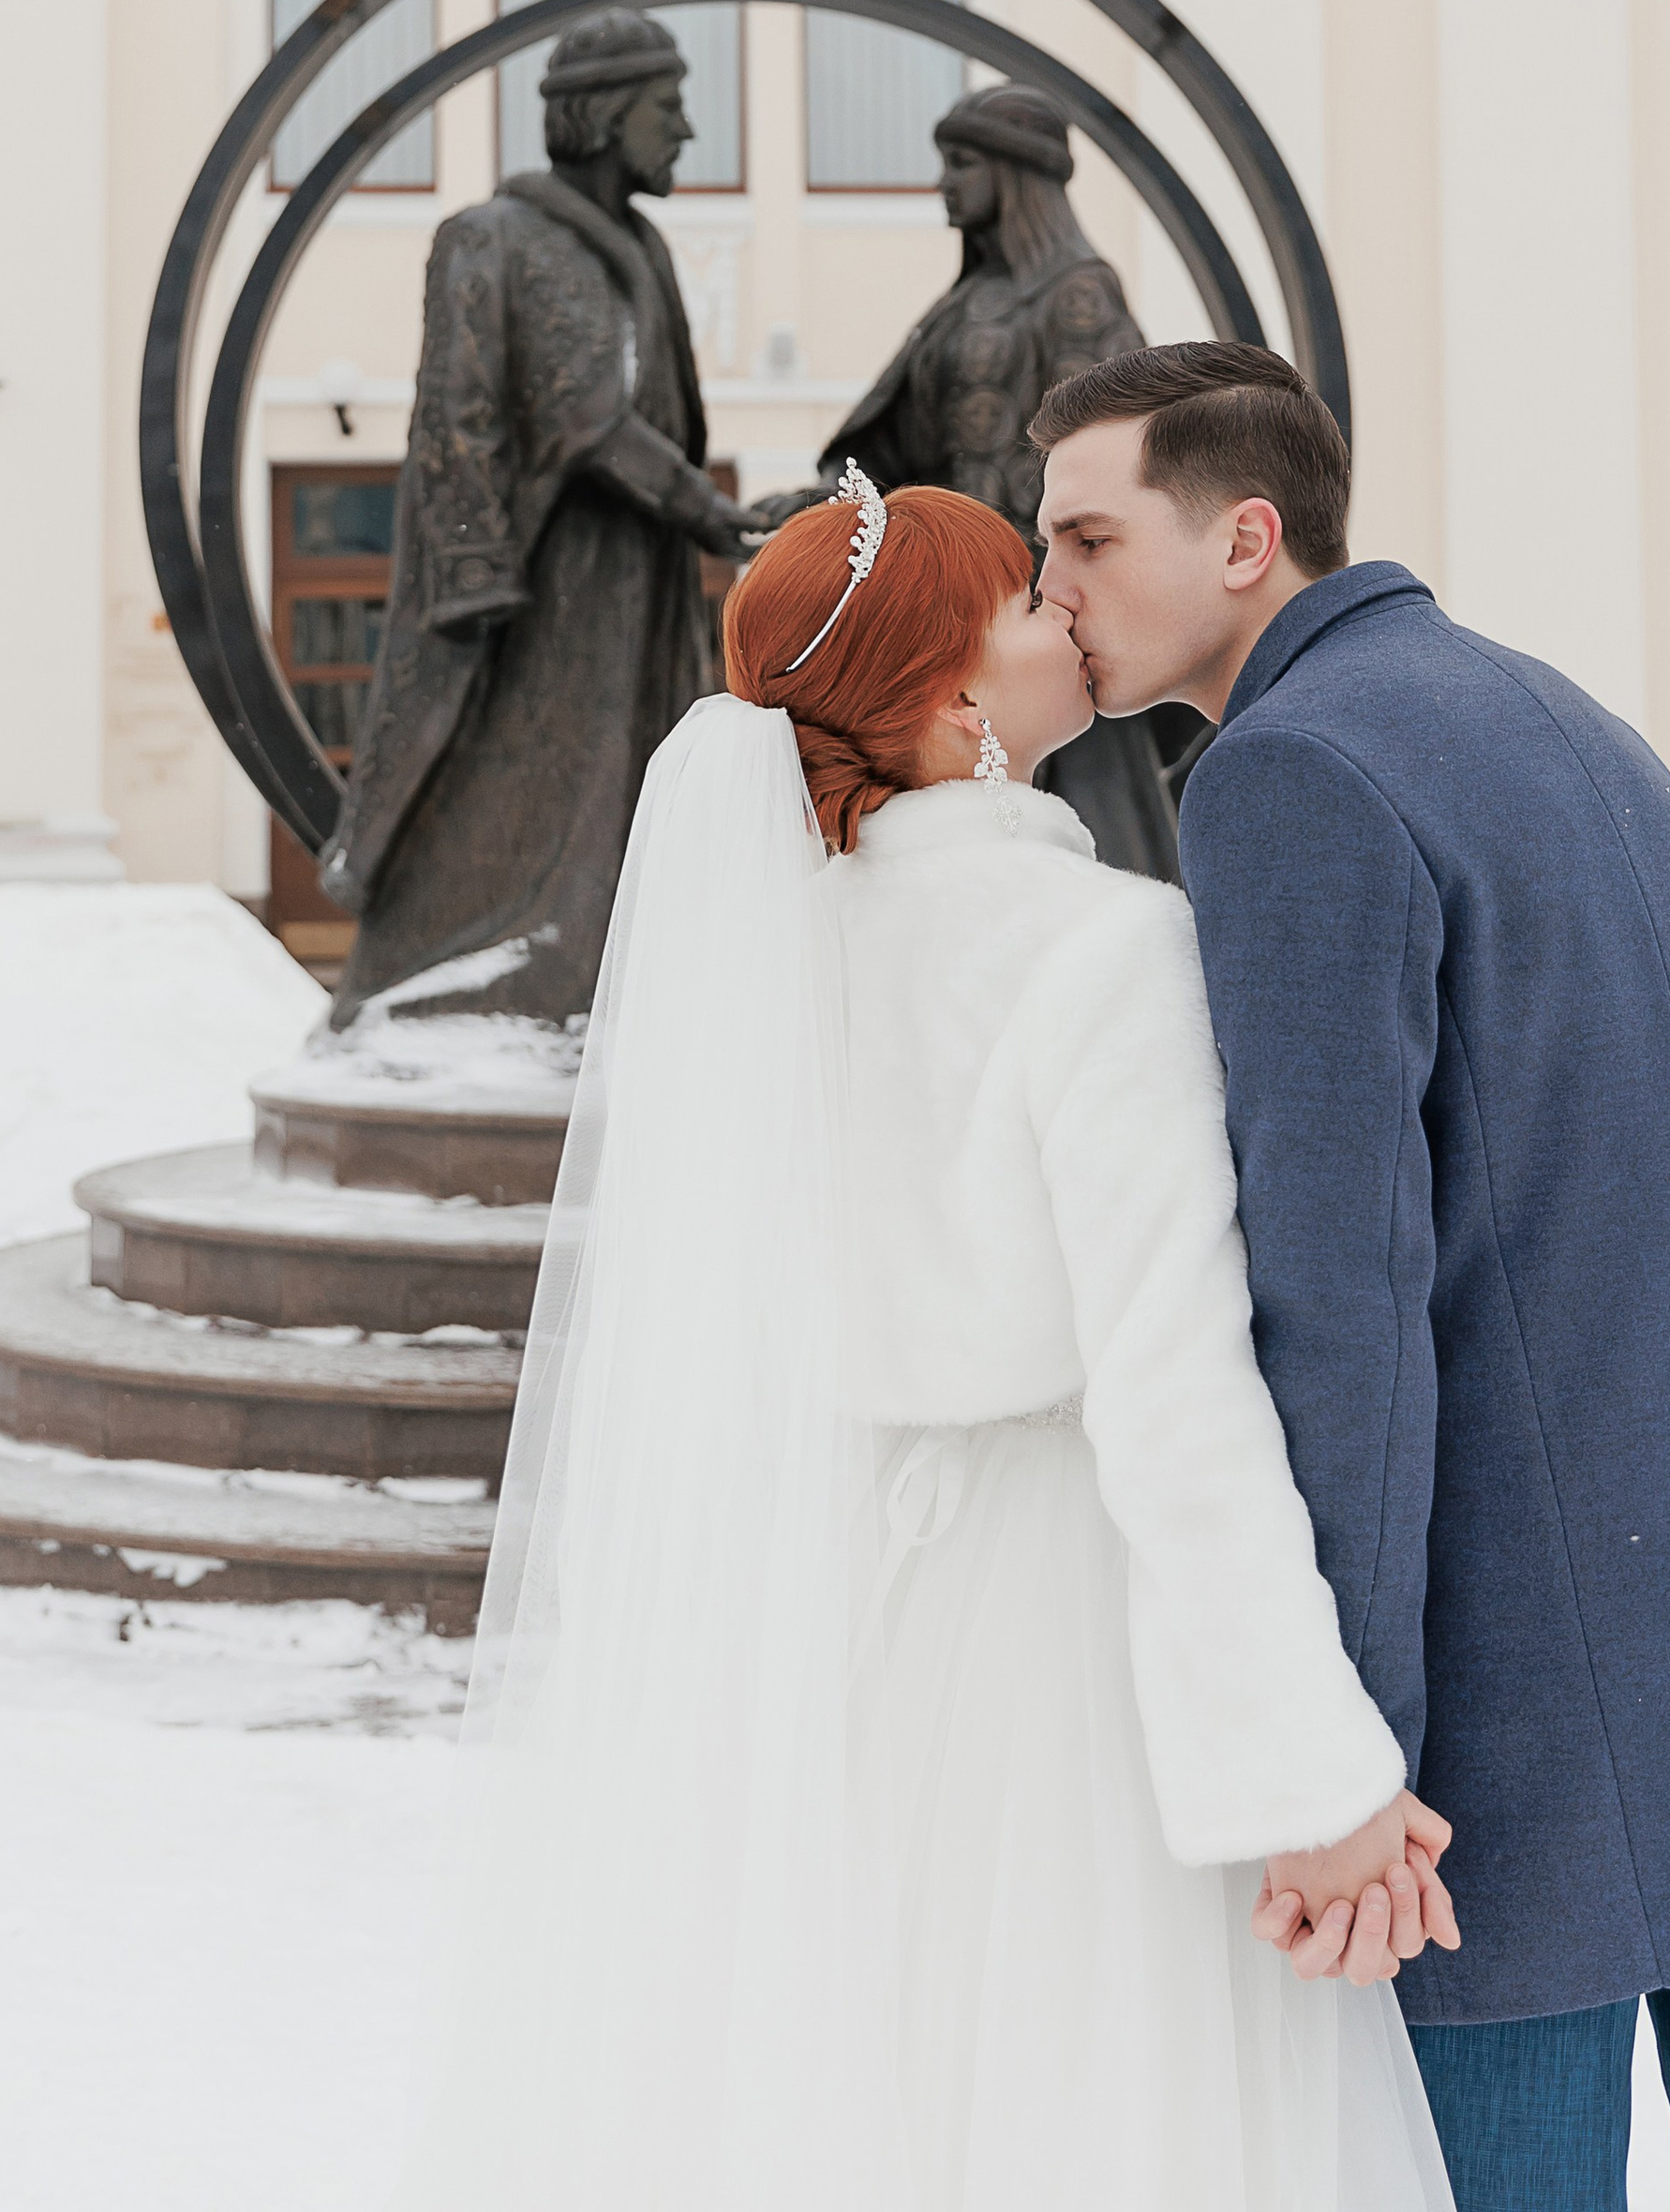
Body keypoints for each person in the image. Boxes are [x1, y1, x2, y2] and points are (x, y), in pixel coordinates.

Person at [401, 471, 1460, 2212]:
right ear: (962, 705)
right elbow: (1175, 1398)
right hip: (1053, 1649)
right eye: (1031, 605)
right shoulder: (1101, 950)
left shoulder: (764, 968)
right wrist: (1313, 1773)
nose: (1071, 612)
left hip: (830, 1638)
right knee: (1078, 2111)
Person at [1032, 339, 1670, 2212]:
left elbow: (1342, 1304)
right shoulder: (1571, 721)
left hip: (1522, 1683)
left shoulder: (1286, 776)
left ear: (1244, 539)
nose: (1048, 589)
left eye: (1081, 536)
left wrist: (1342, 1757)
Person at [320, 9, 787, 1029]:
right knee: (519, 784)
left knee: (623, 777)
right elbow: (572, 417)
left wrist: (700, 517)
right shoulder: (498, 237)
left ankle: (604, 980)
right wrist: (705, 507)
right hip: (540, 590)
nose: (686, 133)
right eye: (667, 108)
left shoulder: (641, 247)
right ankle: (458, 986)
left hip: (634, 579)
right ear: (603, 115)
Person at [834, 80, 1190, 878]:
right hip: (965, 611)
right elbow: (892, 442)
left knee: (1093, 832)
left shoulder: (1078, 294)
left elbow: (1114, 460)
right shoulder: (965, 303)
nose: (944, 183)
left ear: (1015, 173)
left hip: (1047, 612)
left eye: (961, 163)